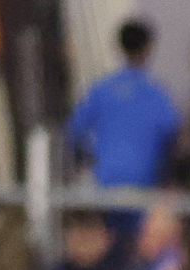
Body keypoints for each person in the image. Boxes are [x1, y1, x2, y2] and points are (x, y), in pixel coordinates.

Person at [67, 21, 183, 193]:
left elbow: (75, 131)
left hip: (105, 180)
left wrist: (92, 158)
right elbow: (172, 133)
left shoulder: (101, 89)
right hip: (144, 181)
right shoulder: (155, 92)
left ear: (120, 46)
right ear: (147, 48)